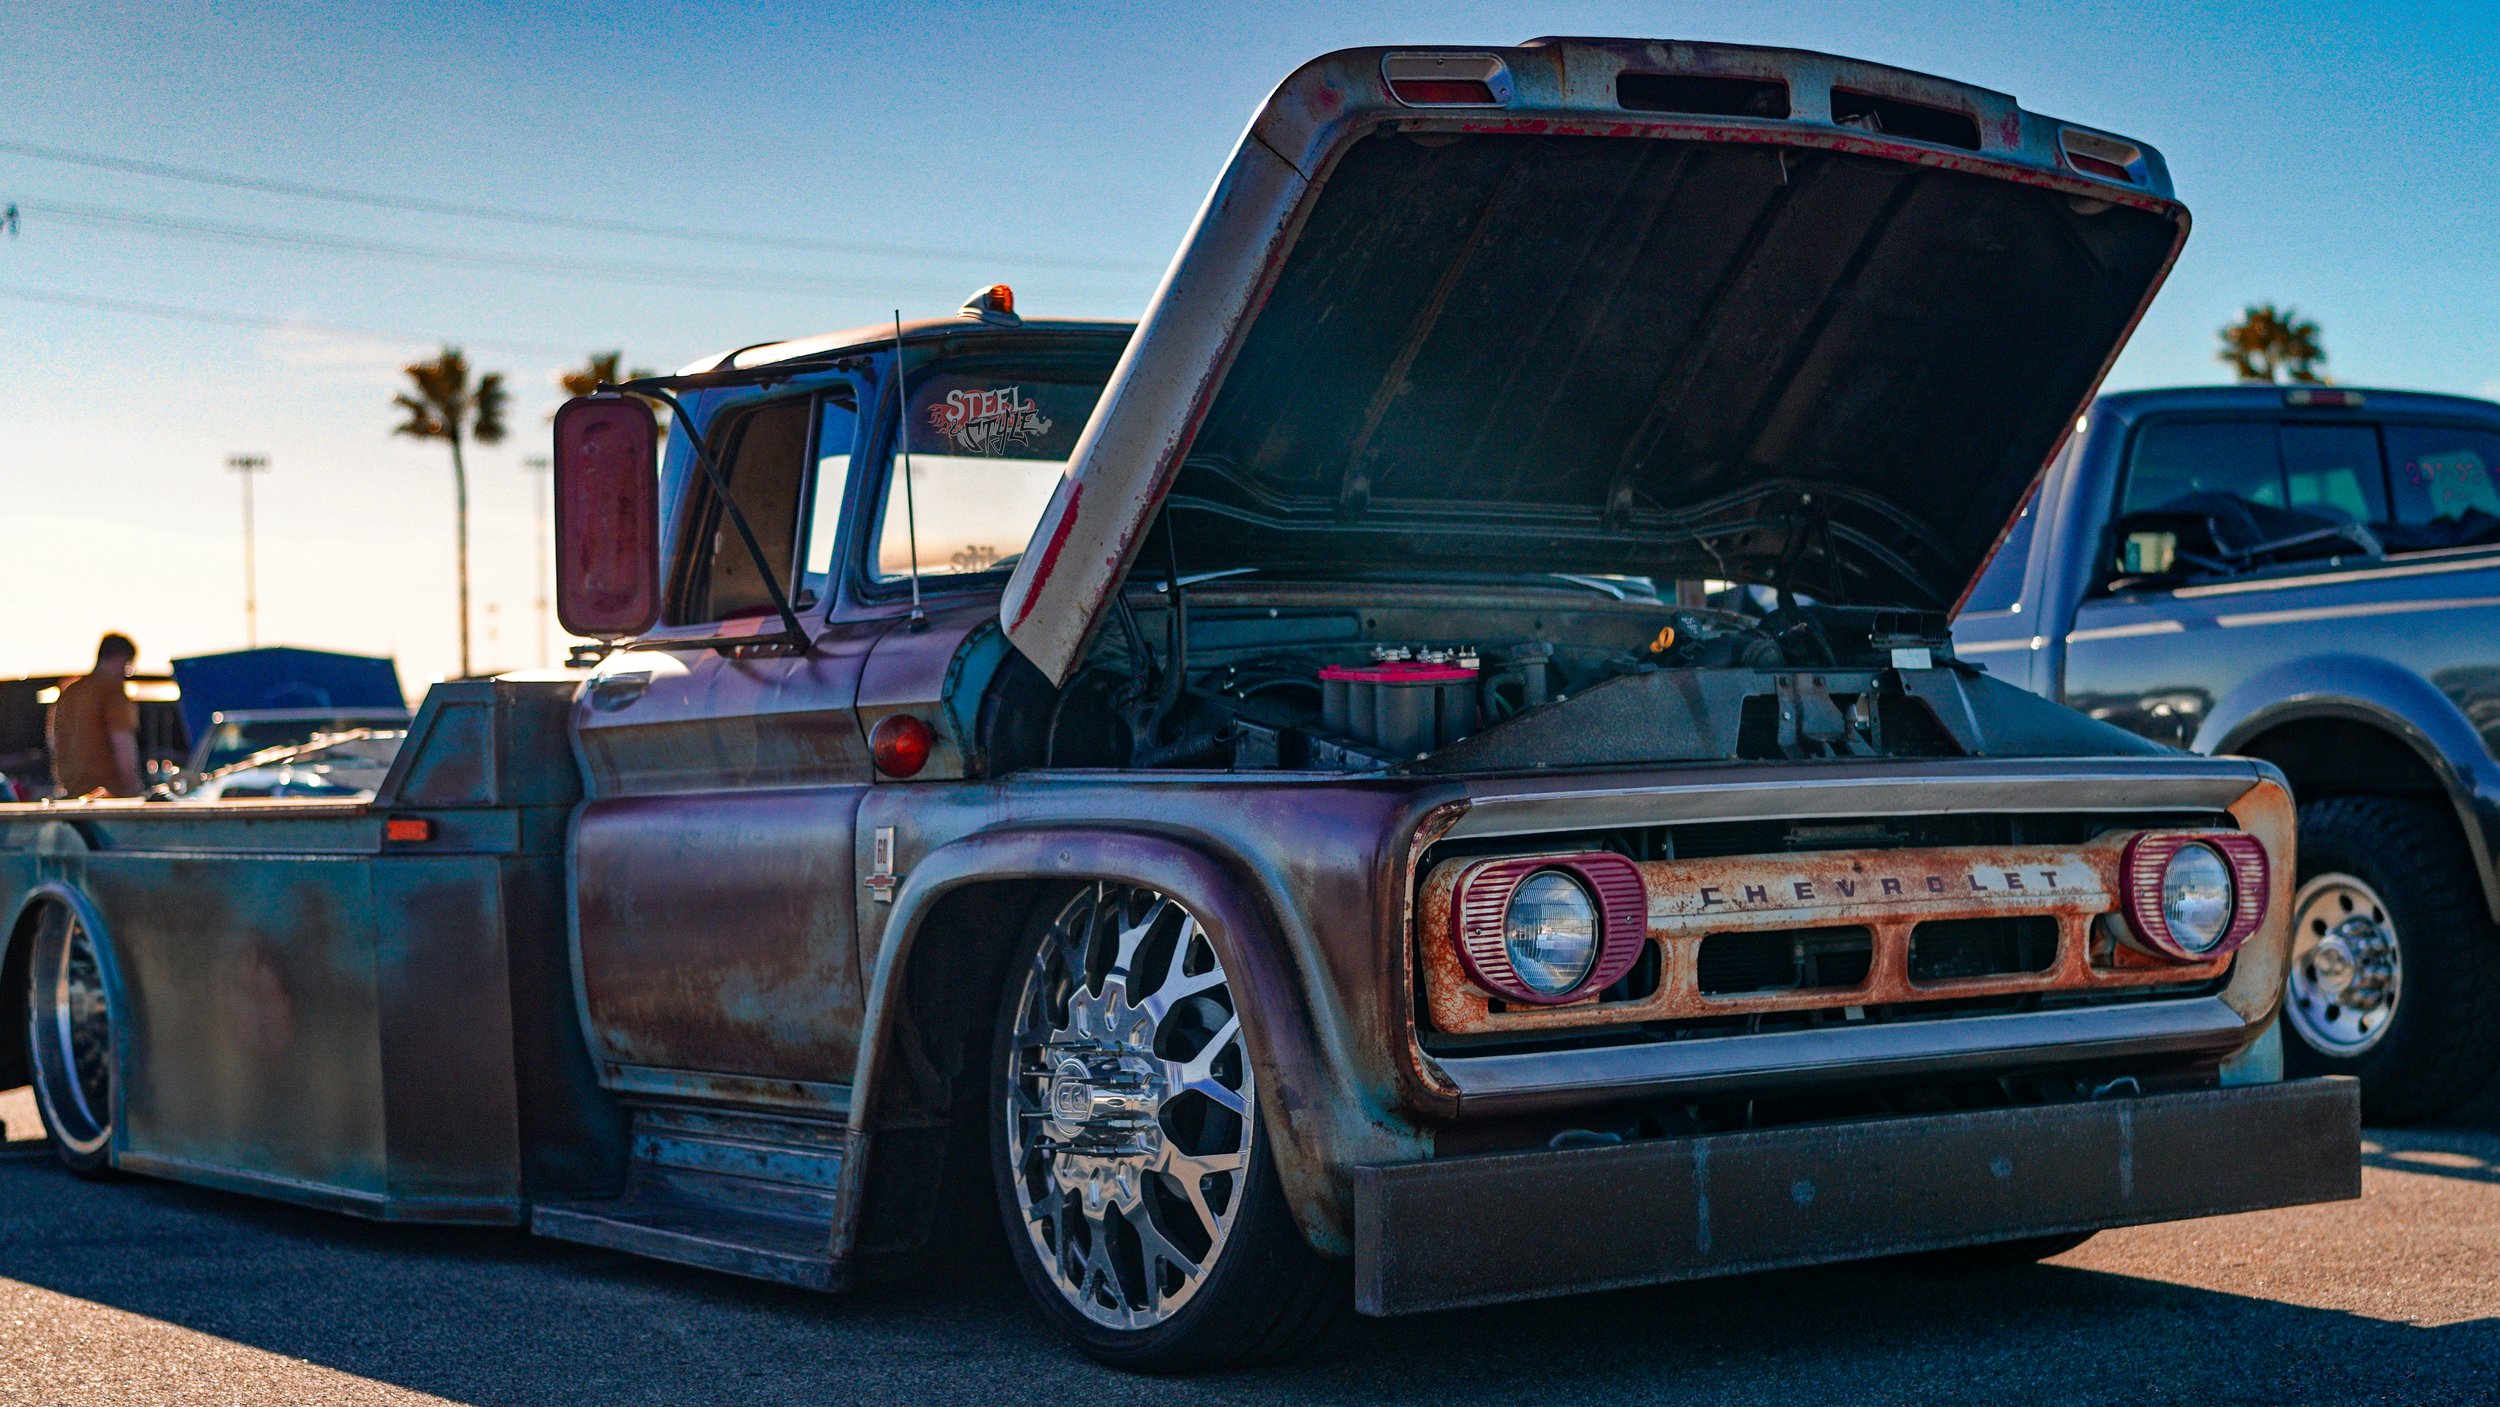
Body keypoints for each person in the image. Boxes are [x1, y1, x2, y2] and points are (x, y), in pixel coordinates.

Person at [50, 633, 143, 798]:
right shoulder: (112, 691)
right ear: (121, 658)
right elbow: (122, 743)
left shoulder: (70, 691)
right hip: (107, 795)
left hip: (72, 794)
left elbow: (55, 742)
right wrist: (134, 789)